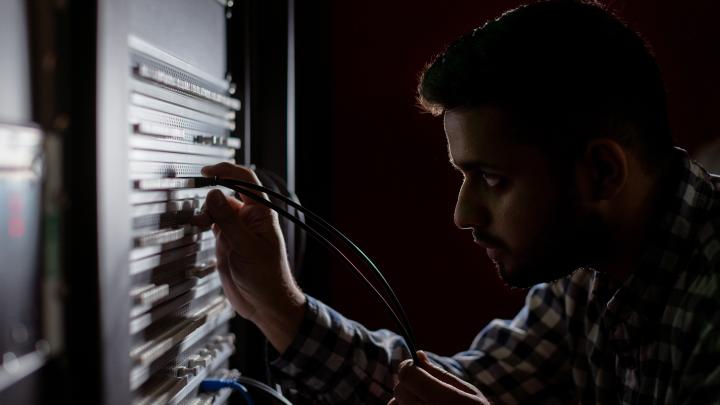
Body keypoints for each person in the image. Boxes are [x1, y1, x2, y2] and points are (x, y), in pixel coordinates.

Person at [193, 0, 720, 403]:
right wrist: (277, 305)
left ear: (603, 171)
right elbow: (460, 386)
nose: (463, 215)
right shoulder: (589, 270)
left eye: (492, 178)